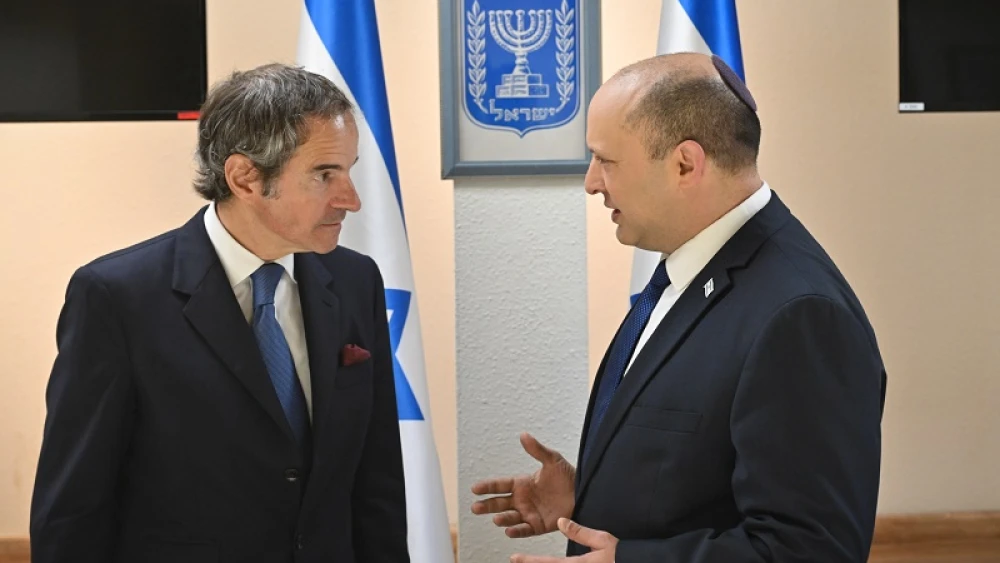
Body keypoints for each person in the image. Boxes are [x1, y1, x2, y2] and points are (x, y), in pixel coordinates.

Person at [471, 52, 886, 562]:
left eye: (607, 160)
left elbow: (813, 550)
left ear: (685, 164)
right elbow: (702, 477)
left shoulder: (800, 314)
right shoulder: (688, 268)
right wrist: (590, 499)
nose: (591, 182)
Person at [30, 63, 409, 563]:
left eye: (349, 170)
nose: (352, 199)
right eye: (324, 174)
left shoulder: (357, 281)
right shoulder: (115, 297)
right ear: (245, 177)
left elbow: (375, 483)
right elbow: (73, 511)